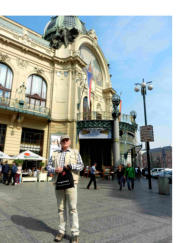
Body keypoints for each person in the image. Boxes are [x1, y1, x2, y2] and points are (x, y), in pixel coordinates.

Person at [47, 134, 84, 243]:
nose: (65, 141)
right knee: (61, 208)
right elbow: (48, 166)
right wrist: (54, 170)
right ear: (60, 142)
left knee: (73, 208)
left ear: (70, 142)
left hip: (71, 183)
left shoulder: (75, 152)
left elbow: (81, 166)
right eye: (63, 140)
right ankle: (61, 231)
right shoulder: (54, 153)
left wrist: (71, 166)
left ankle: (75, 233)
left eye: (67, 140)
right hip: (58, 183)